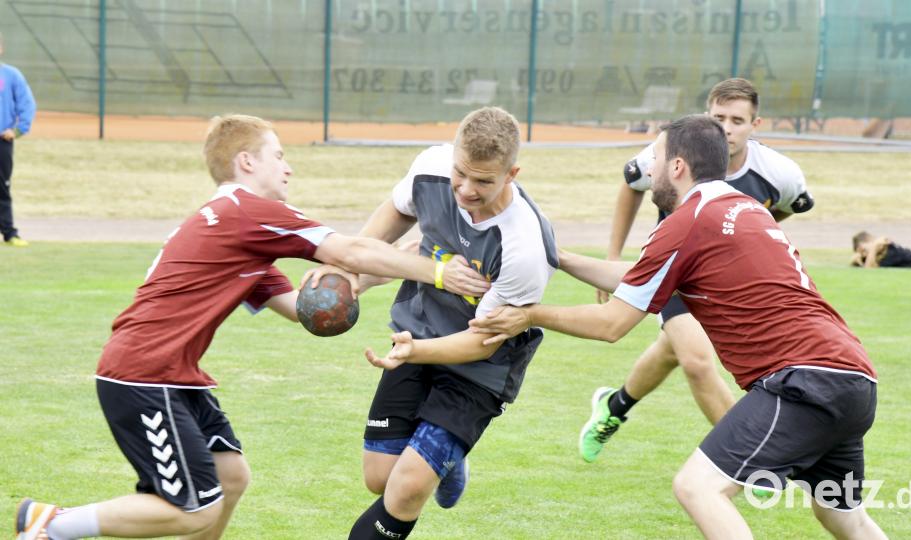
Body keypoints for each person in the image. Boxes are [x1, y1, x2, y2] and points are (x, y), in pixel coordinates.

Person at [14, 114, 491, 540]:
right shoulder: (246, 212)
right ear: (246, 162)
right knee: (194, 510)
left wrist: (388, 267)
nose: (288, 168)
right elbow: (349, 249)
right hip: (143, 374)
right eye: (278, 156)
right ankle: (52, 525)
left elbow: (304, 309)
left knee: (231, 475)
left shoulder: (231, 230)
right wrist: (438, 272)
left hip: (169, 376)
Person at [471, 115, 887, 539]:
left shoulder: (688, 221)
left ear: (677, 166)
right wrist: (561, 258)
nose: (649, 168)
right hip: (854, 377)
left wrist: (530, 314)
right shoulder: (744, 207)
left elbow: (611, 324)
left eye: (655, 157)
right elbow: (640, 276)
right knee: (842, 516)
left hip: (804, 382)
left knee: (697, 487)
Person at [340, 106, 557, 540]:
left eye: (484, 181)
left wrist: (414, 351)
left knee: (407, 487)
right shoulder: (431, 168)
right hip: (419, 329)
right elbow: (396, 212)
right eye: (461, 173)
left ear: (512, 174)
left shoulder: (525, 246)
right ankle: (449, 461)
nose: (466, 189)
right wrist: (347, 262)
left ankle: (438, 459)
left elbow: (482, 343)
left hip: (479, 371)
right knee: (380, 478)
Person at [581, 77, 816, 463]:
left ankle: (614, 405)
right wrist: (613, 255)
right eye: (719, 117)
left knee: (671, 351)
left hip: (727, 283)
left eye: (738, 120)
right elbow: (632, 183)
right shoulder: (673, 150)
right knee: (696, 360)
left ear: (756, 125)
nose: (727, 128)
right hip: (677, 273)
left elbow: (791, 205)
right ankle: (755, 459)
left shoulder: (779, 172)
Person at [0, 31, 37, 247]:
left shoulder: (11, 75)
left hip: (2, 142)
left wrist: (18, 130)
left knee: (2, 188)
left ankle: (9, 233)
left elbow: (27, 103)